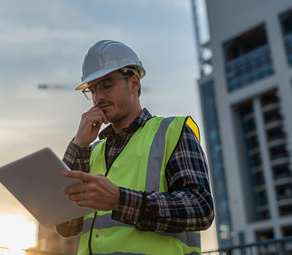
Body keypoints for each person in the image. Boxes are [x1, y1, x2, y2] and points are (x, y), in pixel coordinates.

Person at [56, 40, 214, 255]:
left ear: (134, 83)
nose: (98, 97)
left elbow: (201, 209)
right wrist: (78, 145)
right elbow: (66, 226)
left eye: (107, 84)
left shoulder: (172, 131)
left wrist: (120, 201)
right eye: (93, 89)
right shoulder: (92, 152)